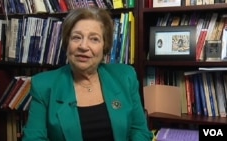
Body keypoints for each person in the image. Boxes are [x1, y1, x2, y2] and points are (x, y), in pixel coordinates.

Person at [22, 7, 153, 141]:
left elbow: (139, 130)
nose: (83, 46)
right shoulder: (43, 85)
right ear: (67, 43)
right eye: (76, 37)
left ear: (104, 46)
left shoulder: (125, 77)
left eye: (94, 39)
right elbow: (33, 138)